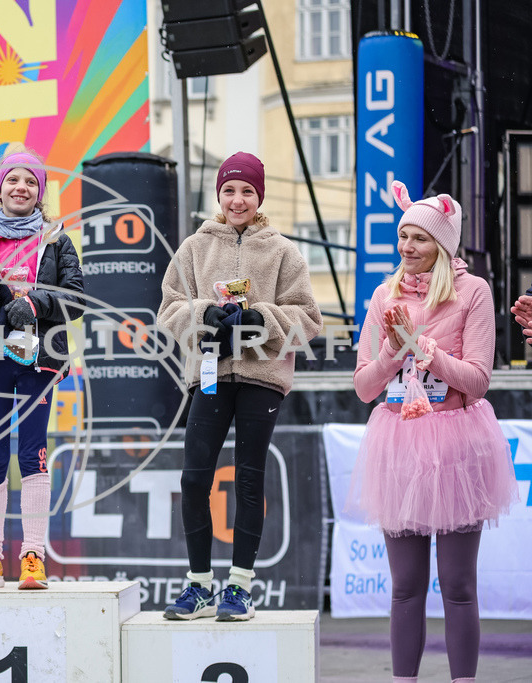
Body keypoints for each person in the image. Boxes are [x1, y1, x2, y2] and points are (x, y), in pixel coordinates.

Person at [348, 182, 517, 683]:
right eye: (403, 236)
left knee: (459, 584)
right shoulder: (384, 295)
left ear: (443, 243)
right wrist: (391, 354)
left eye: (418, 238)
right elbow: (362, 387)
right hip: (399, 443)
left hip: (459, 443)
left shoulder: (474, 291)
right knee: (405, 586)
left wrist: (425, 351)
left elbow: (479, 380)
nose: (407, 247)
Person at [157, 152, 322, 621]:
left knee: (249, 478)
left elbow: (308, 318)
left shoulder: (284, 251)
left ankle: (241, 587)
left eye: (247, 190)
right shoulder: (193, 247)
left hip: (262, 379)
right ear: (218, 195)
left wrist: (259, 319)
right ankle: (199, 585)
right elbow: (168, 308)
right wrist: (203, 314)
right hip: (208, 374)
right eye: (229, 190)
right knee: (194, 478)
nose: (237, 199)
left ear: (259, 196)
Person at [0, 145, 85, 590]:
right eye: (13, 180)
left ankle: (33, 557)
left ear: (40, 191)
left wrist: (34, 302)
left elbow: (77, 298)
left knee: (32, 452)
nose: (21, 187)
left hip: (39, 360)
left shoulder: (56, 238)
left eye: (30, 181)